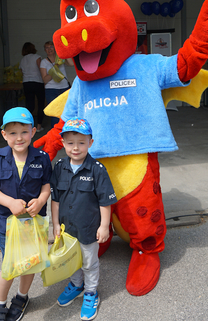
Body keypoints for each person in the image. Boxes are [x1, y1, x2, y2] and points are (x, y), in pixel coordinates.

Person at [0, 107, 52, 321]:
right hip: (8, 224)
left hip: (33, 222)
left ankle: (22, 297)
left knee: (29, 262)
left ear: (33, 131)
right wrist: (10, 202)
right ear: (4, 135)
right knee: (9, 266)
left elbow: (46, 185)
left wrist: (40, 200)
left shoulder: (42, 157)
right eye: (12, 133)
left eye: (24, 131)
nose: (19, 137)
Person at [50, 118, 117, 320]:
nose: (76, 148)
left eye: (81, 142)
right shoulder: (59, 167)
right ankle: (77, 284)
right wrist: (54, 225)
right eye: (70, 143)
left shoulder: (98, 169)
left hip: (88, 228)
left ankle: (90, 292)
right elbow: (55, 200)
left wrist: (104, 226)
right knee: (72, 260)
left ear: (90, 142)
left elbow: (105, 201)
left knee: (89, 262)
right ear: (63, 144)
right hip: (66, 229)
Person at [40, 40, 74, 128]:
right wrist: (55, 68)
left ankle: (67, 132)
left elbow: (71, 63)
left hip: (64, 88)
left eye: (51, 47)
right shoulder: (44, 62)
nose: (49, 49)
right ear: (45, 50)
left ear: (55, 48)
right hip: (51, 90)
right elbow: (45, 80)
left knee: (66, 112)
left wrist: (63, 52)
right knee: (55, 114)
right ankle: (55, 135)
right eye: (47, 48)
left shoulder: (60, 58)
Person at [19, 42, 45, 132]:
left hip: (26, 83)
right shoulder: (37, 57)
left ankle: (27, 125)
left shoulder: (22, 59)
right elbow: (41, 69)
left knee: (30, 104)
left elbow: (22, 72)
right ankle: (38, 126)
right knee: (41, 103)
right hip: (37, 82)